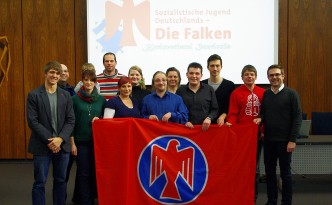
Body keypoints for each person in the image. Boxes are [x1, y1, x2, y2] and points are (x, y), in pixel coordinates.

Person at [26, 61, 75, 205]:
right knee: (40, 182)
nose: (55, 75)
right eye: (52, 72)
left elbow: (71, 120)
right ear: (45, 73)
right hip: (42, 145)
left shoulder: (66, 95)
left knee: (61, 181)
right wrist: (51, 141)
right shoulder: (34, 95)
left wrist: (60, 139)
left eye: (57, 73)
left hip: (62, 146)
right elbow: (33, 122)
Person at [259, 64, 302, 205]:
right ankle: (271, 201)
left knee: (286, 174)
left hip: (285, 142)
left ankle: (286, 202)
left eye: (277, 74)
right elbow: (264, 113)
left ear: (283, 76)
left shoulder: (291, 94)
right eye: (271, 75)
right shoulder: (266, 94)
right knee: (270, 174)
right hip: (269, 141)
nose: (274, 77)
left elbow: (297, 118)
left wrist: (292, 140)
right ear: (268, 78)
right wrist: (260, 118)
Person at [225, 65, 265, 202]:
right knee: (241, 166)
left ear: (256, 77)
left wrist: (263, 130)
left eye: (252, 74)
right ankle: (239, 195)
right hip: (242, 137)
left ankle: (252, 197)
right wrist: (230, 124)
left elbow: (266, 114)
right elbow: (233, 113)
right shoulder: (236, 93)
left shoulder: (263, 92)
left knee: (255, 166)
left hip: (259, 135)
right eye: (247, 74)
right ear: (242, 77)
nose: (249, 77)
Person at [71, 69, 106, 205]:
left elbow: (107, 120)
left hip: (97, 142)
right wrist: (72, 143)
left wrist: (100, 119)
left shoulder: (101, 100)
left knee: (94, 171)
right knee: (83, 173)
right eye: (86, 80)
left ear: (95, 82)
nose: (89, 83)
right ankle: (85, 201)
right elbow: (70, 122)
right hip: (80, 142)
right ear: (82, 82)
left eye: (92, 80)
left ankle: (93, 198)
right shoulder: (74, 99)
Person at [176, 62, 219, 131]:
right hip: (185, 131)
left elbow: (215, 110)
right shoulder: (180, 91)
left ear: (201, 75)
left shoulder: (209, 89)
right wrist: (184, 121)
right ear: (187, 75)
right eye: (191, 73)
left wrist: (209, 118)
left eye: (197, 73)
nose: (194, 76)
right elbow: (176, 110)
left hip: (205, 131)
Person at [202, 54, 235, 126]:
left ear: (221, 67)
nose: (215, 68)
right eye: (212, 66)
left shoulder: (230, 85)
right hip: (204, 125)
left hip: (223, 124)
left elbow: (231, 106)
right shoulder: (201, 85)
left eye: (217, 66)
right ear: (208, 67)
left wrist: (223, 116)